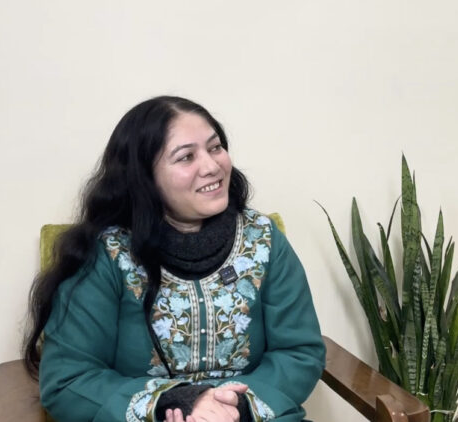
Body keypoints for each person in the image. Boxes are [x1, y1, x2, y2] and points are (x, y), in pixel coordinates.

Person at [23, 96, 326, 422]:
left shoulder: (263, 240)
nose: (212, 166)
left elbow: (299, 353)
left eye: (215, 148)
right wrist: (177, 401)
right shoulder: (106, 254)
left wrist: (234, 407)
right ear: (144, 177)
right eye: (186, 157)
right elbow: (69, 380)